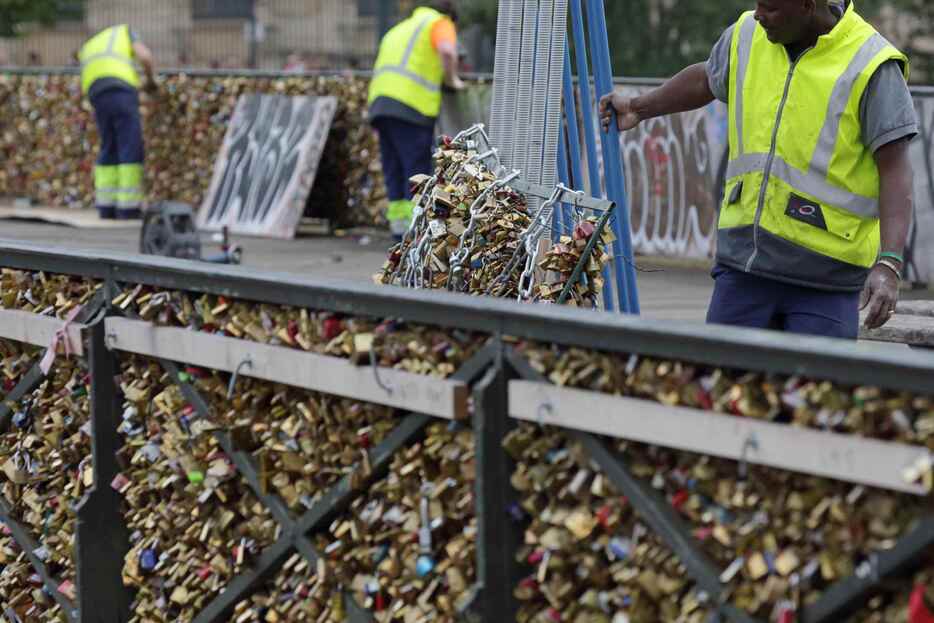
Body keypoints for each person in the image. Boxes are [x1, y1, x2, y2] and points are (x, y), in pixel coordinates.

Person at [599, 0, 916, 339]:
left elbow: (895, 171)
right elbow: (707, 79)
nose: (760, 15)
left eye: (772, 8)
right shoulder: (748, 34)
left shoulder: (872, 64)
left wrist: (889, 264)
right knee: (723, 387)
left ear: (808, 6)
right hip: (744, 270)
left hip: (826, 284)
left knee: (811, 391)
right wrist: (638, 107)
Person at [368, 0, 465, 239]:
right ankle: (415, 233)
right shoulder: (439, 22)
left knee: (394, 168)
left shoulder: (400, 28)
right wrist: (452, 80)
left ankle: (398, 233)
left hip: (380, 103)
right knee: (416, 171)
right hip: (411, 106)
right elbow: (447, 50)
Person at [78, 24, 156, 220]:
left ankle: (106, 206)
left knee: (109, 144)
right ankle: (128, 208)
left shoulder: (91, 44)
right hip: (120, 89)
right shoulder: (125, 32)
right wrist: (150, 79)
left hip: (96, 91)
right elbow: (145, 56)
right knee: (130, 144)